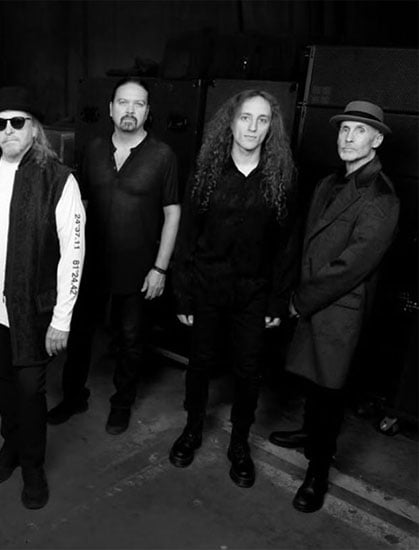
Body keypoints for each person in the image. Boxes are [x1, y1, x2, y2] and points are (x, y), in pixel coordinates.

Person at [269, 100, 399, 512]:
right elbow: (305, 241)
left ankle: (318, 472)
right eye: (344, 129)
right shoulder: (328, 183)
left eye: (360, 131)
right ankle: (308, 434)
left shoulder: (381, 197)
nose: (348, 137)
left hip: (338, 310)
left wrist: (300, 301)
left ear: (376, 141)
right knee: (313, 382)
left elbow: (351, 266)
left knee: (328, 394)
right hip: (313, 301)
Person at [170, 90, 297, 489]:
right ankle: (192, 428)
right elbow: (187, 236)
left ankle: (239, 443)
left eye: (262, 120)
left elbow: (286, 246)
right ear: (231, 121)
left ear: (270, 128)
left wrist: (277, 300)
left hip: (254, 293)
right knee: (200, 363)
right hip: (207, 286)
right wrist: (183, 293)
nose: (252, 128)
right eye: (245, 118)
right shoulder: (206, 172)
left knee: (248, 370)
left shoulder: (280, 178)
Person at [47, 77, 180, 434]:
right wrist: (67, 257)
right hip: (90, 264)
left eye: (138, 104)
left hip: (138, 267)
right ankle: (73, 397)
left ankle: (122, 404)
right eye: (123, 102)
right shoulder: (93, 149)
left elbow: (172, 213)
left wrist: (160, 268)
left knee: (131, 340)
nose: (130, 110)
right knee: (79, 335)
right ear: (110, 108)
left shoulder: (162, 156)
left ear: (148, 112)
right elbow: (79, 205)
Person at [0, 86, 86, 509]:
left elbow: (73, 252)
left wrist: (62, 318)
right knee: (3, 384)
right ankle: (11, 445)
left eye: (17, 122)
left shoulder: (58, 179)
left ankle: (33, 465)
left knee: (30, 390)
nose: (8, 130)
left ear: (34, 129)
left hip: (33, 310)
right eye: (0, 123)